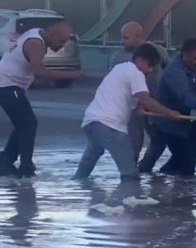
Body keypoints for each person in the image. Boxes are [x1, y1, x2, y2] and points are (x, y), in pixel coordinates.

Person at [73, 44, 181, 181]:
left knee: (87, 165)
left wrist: (139, 108)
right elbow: (145, 99)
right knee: (130, 174)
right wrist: (169, 112)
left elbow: (129, 100)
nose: (150, 70)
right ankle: (128, 200)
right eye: (150, 65)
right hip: (110, 127)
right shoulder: (135, 72)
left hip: (91, 122)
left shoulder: (119, 69)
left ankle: (77, 187)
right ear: (140, 60)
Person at [0, 20, 81, 177]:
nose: (62, 46)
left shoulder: (38, 33)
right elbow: (39, 71)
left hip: (10, 85)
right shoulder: (36, 44)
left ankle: (6, 160)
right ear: (52, 35)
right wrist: (72, 75)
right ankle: (25, 167)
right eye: (61, 41)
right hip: (7, 85)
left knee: (25, 123)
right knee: (28, 123)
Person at [154, 39, 196, 177]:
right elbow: (186, 97)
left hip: (182, 120)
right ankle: (162, 184)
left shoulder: (194, 67)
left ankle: (160, 180)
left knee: (181, 158)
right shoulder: (174, 73)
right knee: (186, 161)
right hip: (167, 121)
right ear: (185, 55)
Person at [108, 22, 170, 162]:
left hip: (155, 100)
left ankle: (145, 166)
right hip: (133, 104)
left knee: (159, 136)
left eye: (126, 38)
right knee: (134, 140)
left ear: (139, 36)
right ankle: (130, 170)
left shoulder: (158, 51)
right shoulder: (118, 57)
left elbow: (168, 72)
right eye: (122, 38)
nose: (123, 41)